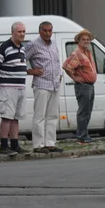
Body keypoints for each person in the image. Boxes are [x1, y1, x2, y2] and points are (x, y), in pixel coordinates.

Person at [0, 22, 29, 155]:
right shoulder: (5, 47)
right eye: (19, 32)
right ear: (12, 32)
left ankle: (15, 144)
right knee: (7, 117)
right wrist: (2, 78)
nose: (22, 34)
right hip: (9, 88)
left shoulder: (22, 48)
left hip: (20, 87)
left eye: (23, 31)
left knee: (16, 117)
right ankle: (4, 146)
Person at [25, 21, 63, 154]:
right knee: (39, 115)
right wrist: (30, 71)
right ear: (40, 31)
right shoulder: (33, 45)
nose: (48, 33)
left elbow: (56, 61)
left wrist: (60, 75)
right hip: (41, 84)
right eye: (45, 31)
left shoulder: (54, 44)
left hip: (54, 84)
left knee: (52, 115)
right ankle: (38, 144)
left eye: (50, 30)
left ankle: (50, 143)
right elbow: (20, 59)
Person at [62, 30, 98, 145]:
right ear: (79, 41)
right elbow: (66, 66)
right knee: (84, 111)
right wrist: (75, 78)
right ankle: (82, 136)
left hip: (89, 85)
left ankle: (84, 134)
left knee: (87, 110)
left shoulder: (87, 52)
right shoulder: (77, 53)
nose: (86, 41)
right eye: (84, 39)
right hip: (83, 86)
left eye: (88, 39)